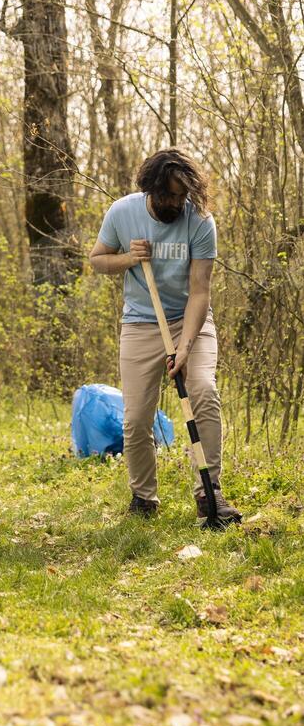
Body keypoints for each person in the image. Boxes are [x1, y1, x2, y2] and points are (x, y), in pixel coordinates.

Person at [89, 147, 241, 524]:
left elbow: (201, 290)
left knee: (203, 391)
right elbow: (97, 260)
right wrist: (128, 258)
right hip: (140, 323)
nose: (175, 202)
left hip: (190, 320)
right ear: (150, 189)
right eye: (168, 195)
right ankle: (143, 497)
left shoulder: (201, 220)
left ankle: (209, 494)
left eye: (181, 195)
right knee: (137, 416)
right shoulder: (123, 213)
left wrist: (185, 347)